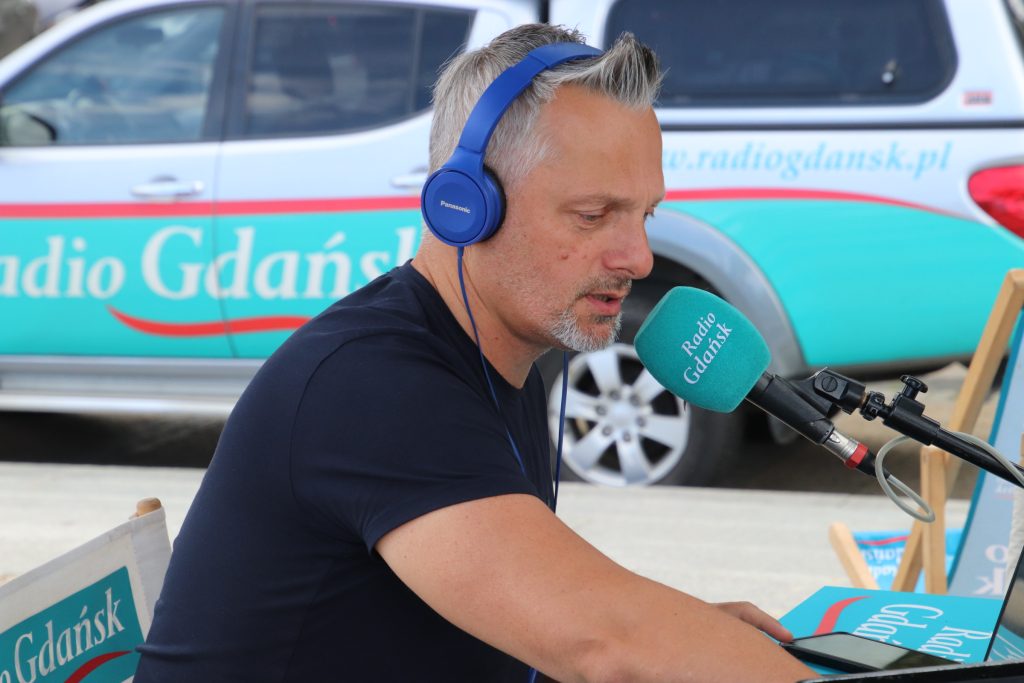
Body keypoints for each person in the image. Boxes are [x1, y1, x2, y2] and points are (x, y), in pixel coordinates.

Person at [134, 24, 816, 683]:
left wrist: (687, 641)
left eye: (645, 215)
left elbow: (559, 628)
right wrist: (647, 643)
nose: (638, 258)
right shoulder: (374, 386)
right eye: (592, 216)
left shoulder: (498, 364)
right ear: (465, 206)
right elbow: (604, 643)